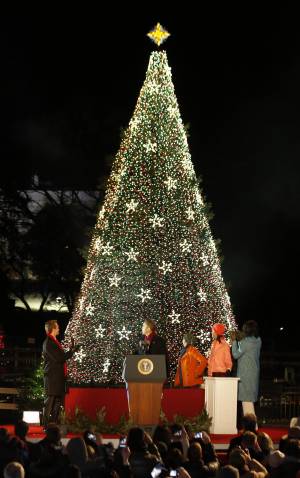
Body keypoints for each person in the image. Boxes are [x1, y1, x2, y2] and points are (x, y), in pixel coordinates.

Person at [42, 320, 80, 426]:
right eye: (57, 327)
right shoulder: (49, 342)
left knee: (57, 401)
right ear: (53, 328)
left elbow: (60, 357)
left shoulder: (53, 341)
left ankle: (53, 424)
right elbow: (59, 358)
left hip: (57, 377)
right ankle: (45, 425)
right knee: (49, 401)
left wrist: (71, 350)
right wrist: (72, 351)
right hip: (52, 377)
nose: (59, 328)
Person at [231, 320, 261, 416]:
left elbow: (235, 355)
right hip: (254, 372)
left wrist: (234, 341)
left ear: (246, 330)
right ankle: (252, 426)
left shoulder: (245, 343)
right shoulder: (258, 341)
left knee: (246, 401)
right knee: (249, 401)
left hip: (245, 374)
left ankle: (251, 426)